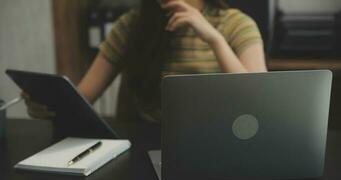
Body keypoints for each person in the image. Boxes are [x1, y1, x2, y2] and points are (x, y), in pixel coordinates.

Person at [23, 0, 267, 123]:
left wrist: (215, 40)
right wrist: (48, 106)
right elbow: (83, 98)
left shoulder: (236, 24)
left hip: (218, 144)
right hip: (147, 147)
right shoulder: (132, 24)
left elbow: (260, 101)